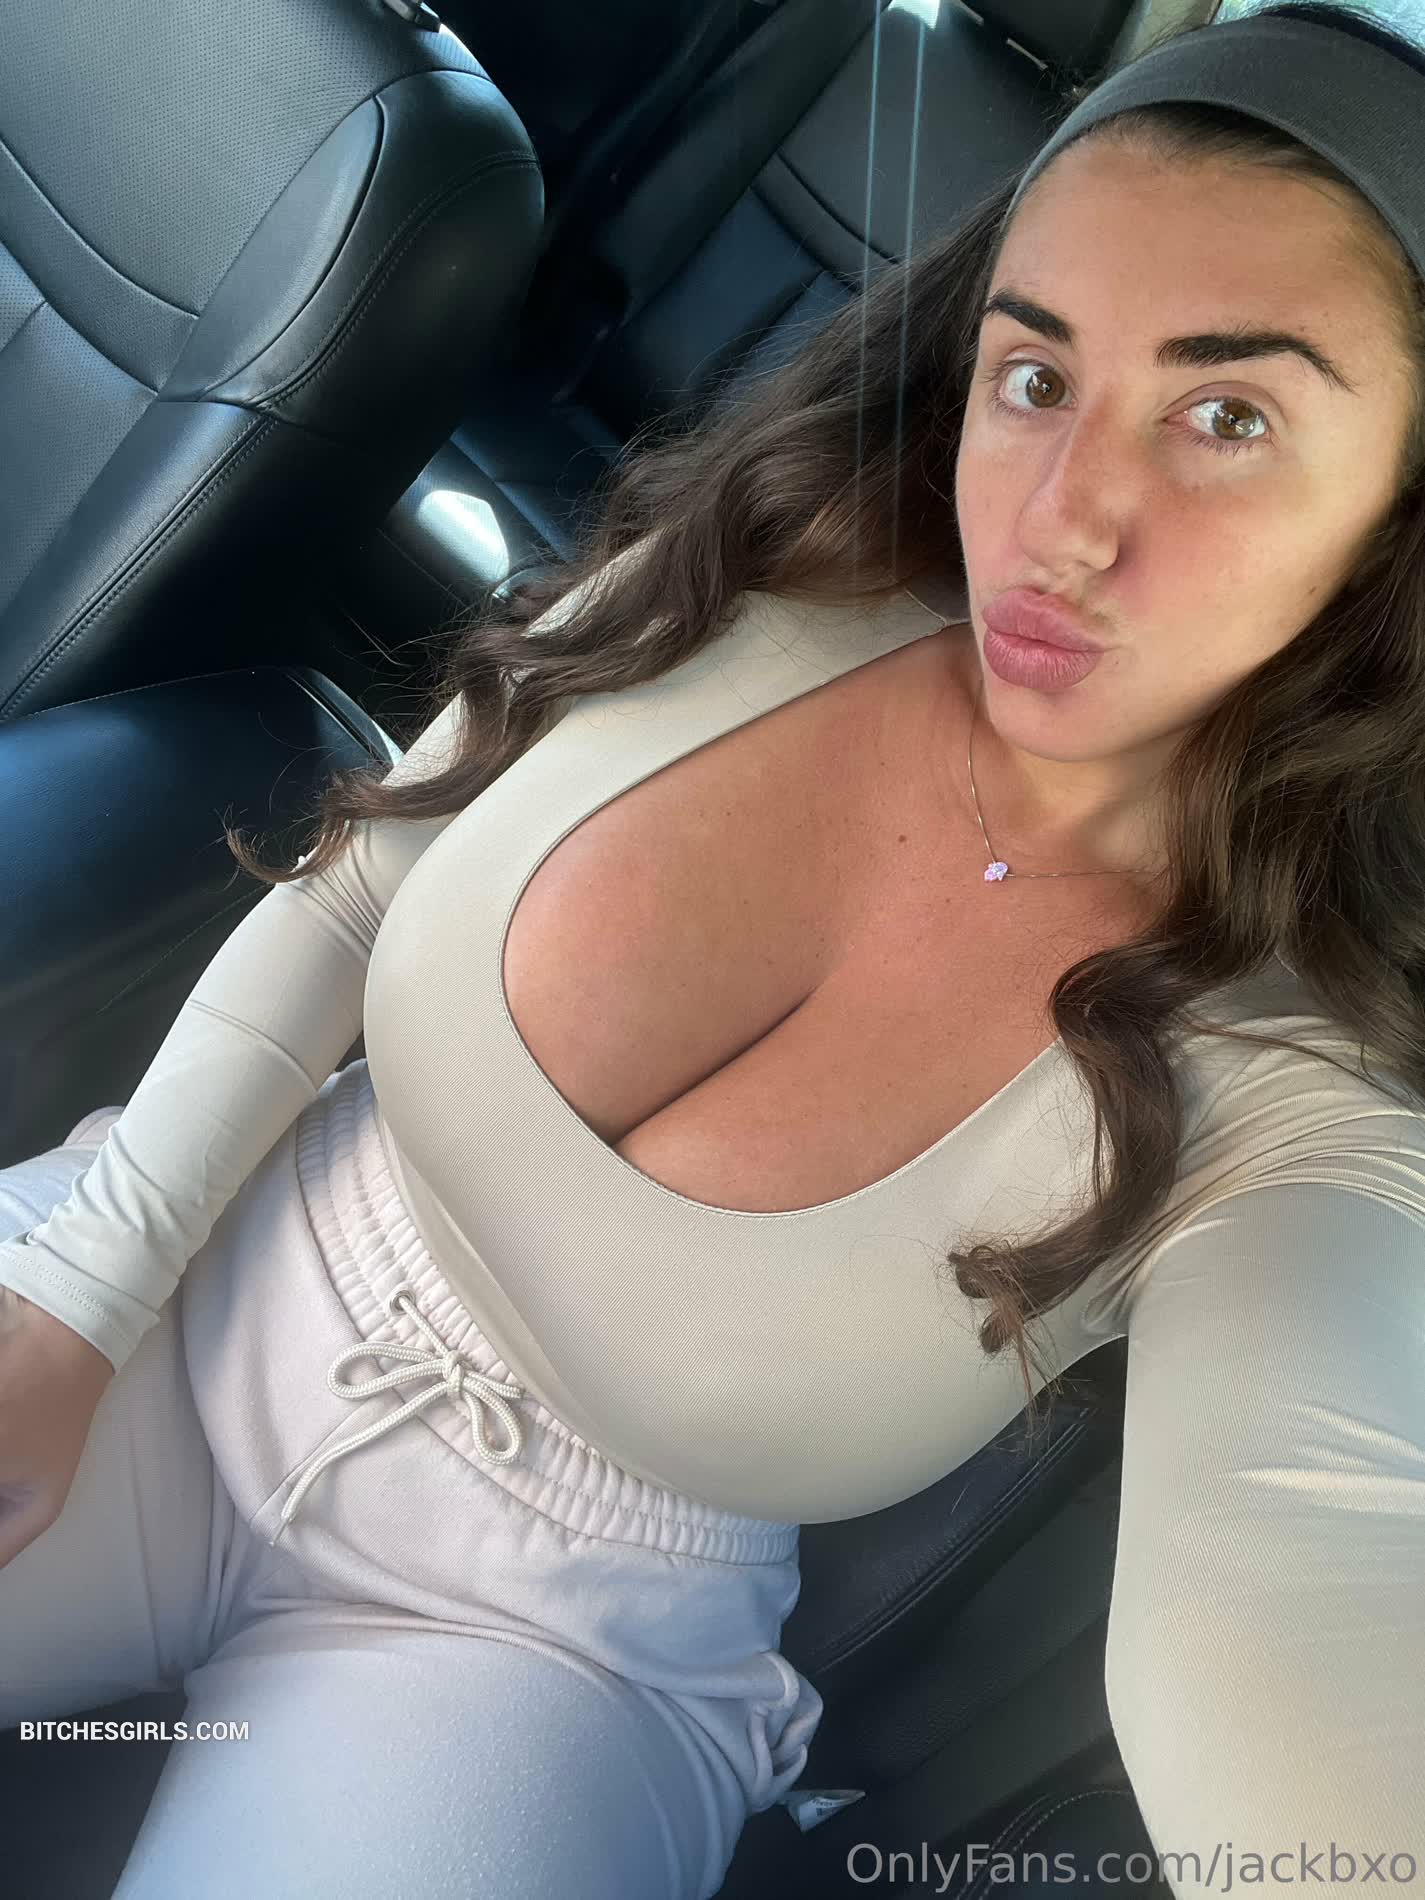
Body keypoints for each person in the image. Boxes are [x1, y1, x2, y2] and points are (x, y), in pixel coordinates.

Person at [3, 2, 1425, 1892]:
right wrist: (75, 1299)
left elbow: (1302, 1573)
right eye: (1032, 374)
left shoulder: (1302, 1094)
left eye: (1227, 416)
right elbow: (358, 890)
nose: (1062, 520)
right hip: (197, 1273)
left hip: (543, 1655)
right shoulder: (778, 563)